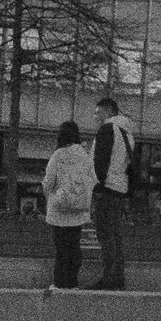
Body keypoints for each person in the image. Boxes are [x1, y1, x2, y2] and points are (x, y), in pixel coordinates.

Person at [89, 94, 137, 290]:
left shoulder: (108, 129)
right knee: (116, 235)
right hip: (119, 188)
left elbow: (100, 160)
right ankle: (118, 276)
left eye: (98, 112)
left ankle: (109, 278)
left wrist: (96, 186)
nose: (95, 117)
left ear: (108, 111)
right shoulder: (128, 134)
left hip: (106, 188)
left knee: (105, 235)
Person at [43, 120, 97, 290]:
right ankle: (72, 282)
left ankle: (60, 283)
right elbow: (93, 179)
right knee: (74, 246)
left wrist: (47, 192)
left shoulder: (58, 155)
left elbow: (49, 181)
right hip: (78, 210)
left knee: (61, 249)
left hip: (58, 209)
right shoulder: (85, 156)